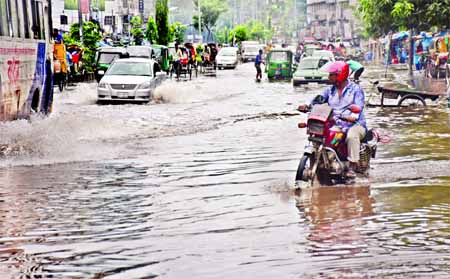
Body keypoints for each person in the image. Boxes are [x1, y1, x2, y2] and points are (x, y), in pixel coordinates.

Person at [298, 61, 366, 178]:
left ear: (340, 74)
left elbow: (358, 107)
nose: (329, 77)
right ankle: (324, 159)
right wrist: (307, 105)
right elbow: (318, 99)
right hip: (336, 122)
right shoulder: (330, 90)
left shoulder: (356, 89)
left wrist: (352, 116)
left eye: (331, 75)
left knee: (351, 136)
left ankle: (352, 165)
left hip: (355, 124)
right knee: (323, 135)